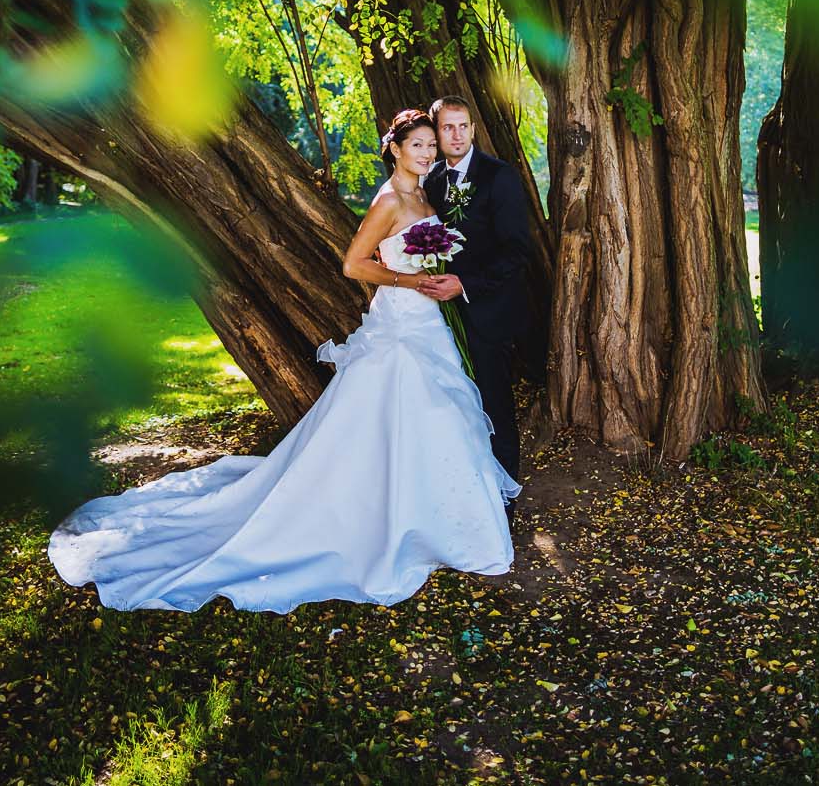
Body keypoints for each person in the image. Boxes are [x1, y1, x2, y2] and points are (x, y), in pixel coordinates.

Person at [47, 109, 520, 613]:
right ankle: (391, 520)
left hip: (427, 322)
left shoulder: (424, 195)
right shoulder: (387, 201)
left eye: (432, 145)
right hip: (401, 321)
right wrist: (410, 280)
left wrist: (433, 269)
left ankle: (440, 518)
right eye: (419, 146)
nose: (428, 153)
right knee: (405, 414)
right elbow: (352, 263)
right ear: (396, 150)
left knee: (439, 415)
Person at [418, 96, 532, 518]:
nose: (457, 135)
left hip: (488, 311)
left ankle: (505, 499)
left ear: (472, 128)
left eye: (463, 126)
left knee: (494, 403)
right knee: (452, 403)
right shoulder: (430, 181)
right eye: (448, 128)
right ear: (436, 132)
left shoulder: (499, 177)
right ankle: (462, 490)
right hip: (440, 317)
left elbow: (516, 252)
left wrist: (464, 284)